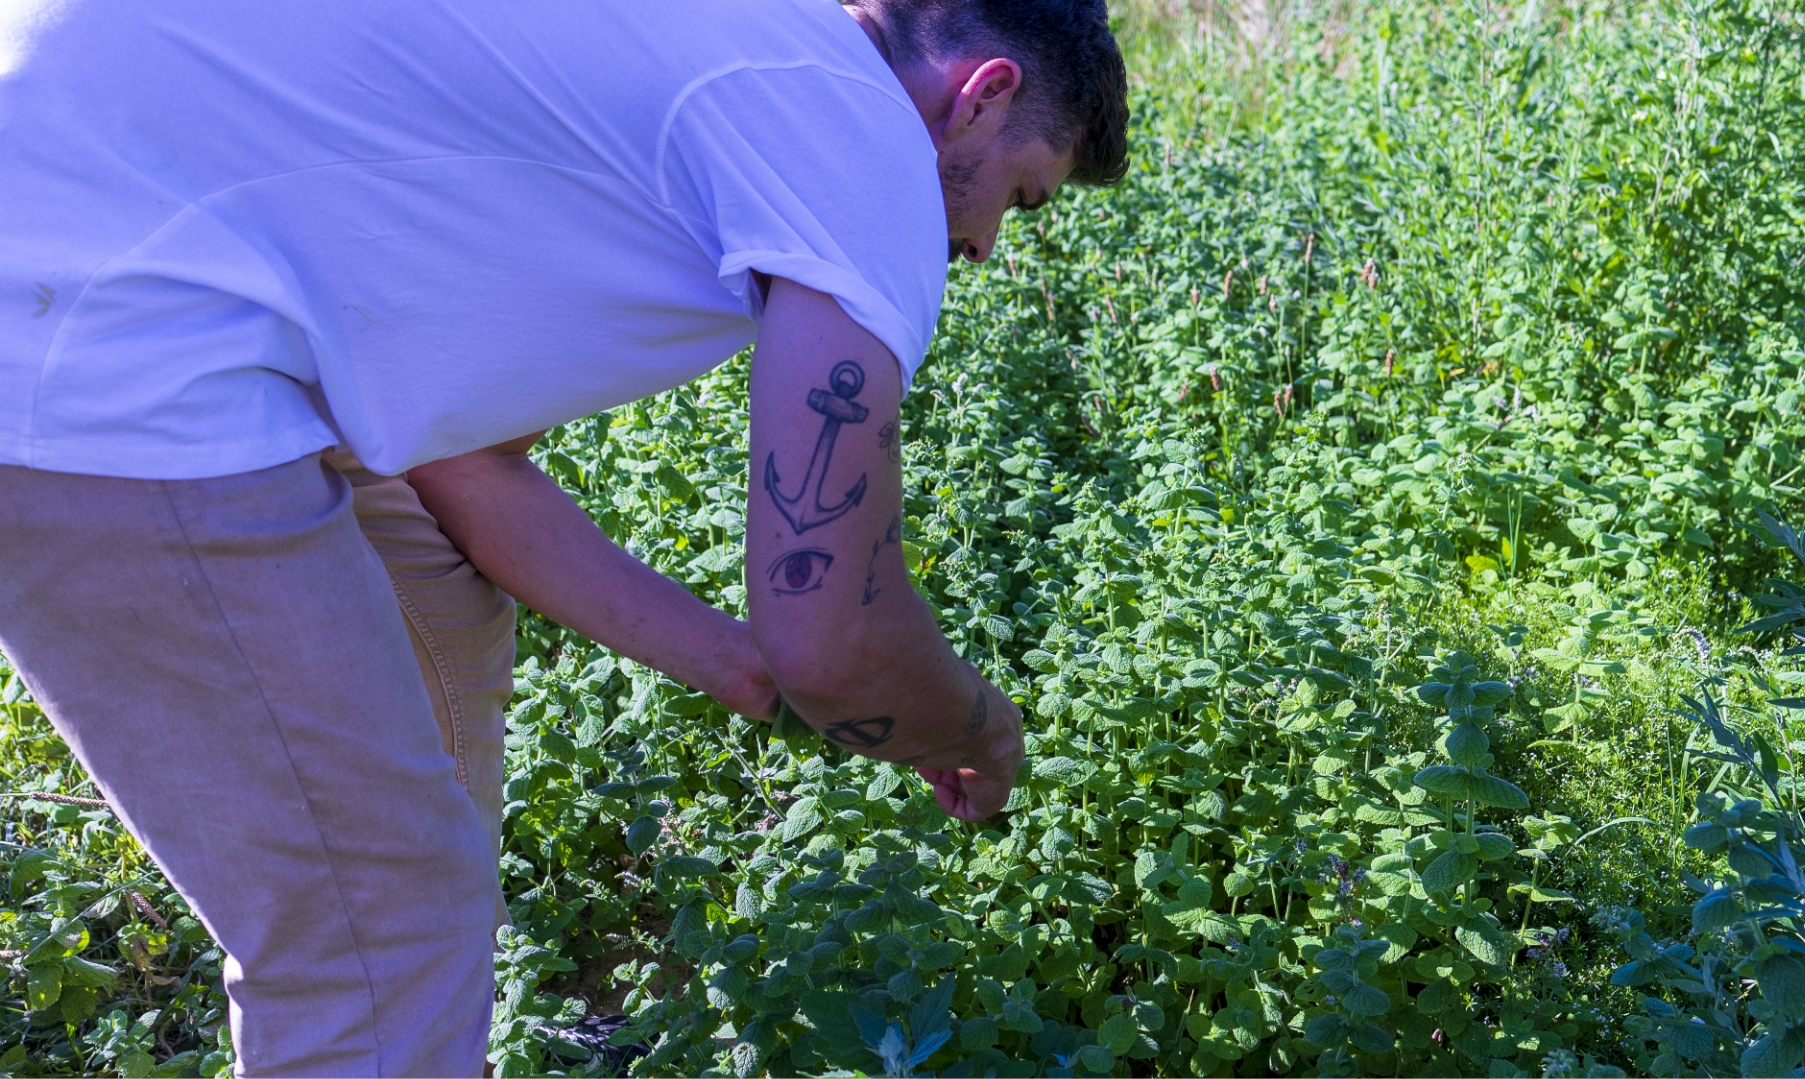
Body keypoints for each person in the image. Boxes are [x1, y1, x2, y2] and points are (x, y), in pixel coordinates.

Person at [0, 0, 1128, 1073]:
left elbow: (461, 466)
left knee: (433, 624)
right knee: (383, 924)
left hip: (99, 216)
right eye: (1018, 199)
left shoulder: (733, 51)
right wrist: (985, 725)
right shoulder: (866, 145)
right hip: (93, 335)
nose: (980, 246)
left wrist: (736, 664)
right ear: (980, 96)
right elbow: (834, 632)